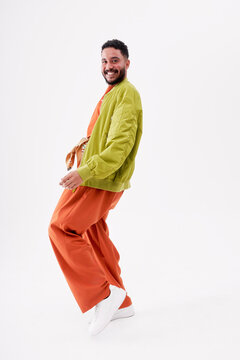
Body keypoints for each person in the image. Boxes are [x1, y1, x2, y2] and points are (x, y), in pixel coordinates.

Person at [48, 39, 143, 336]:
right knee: (92, 231)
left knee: (62, 228)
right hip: (99, 175)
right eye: (104, 61)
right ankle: (121, 301)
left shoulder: (126, 95)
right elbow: (103, 137)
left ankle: (103, 295)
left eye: (114, 60)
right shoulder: (113, 93)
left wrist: (85, 172)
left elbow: (120, 147)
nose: (108, 66)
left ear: (127, 62)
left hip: (99, 179)